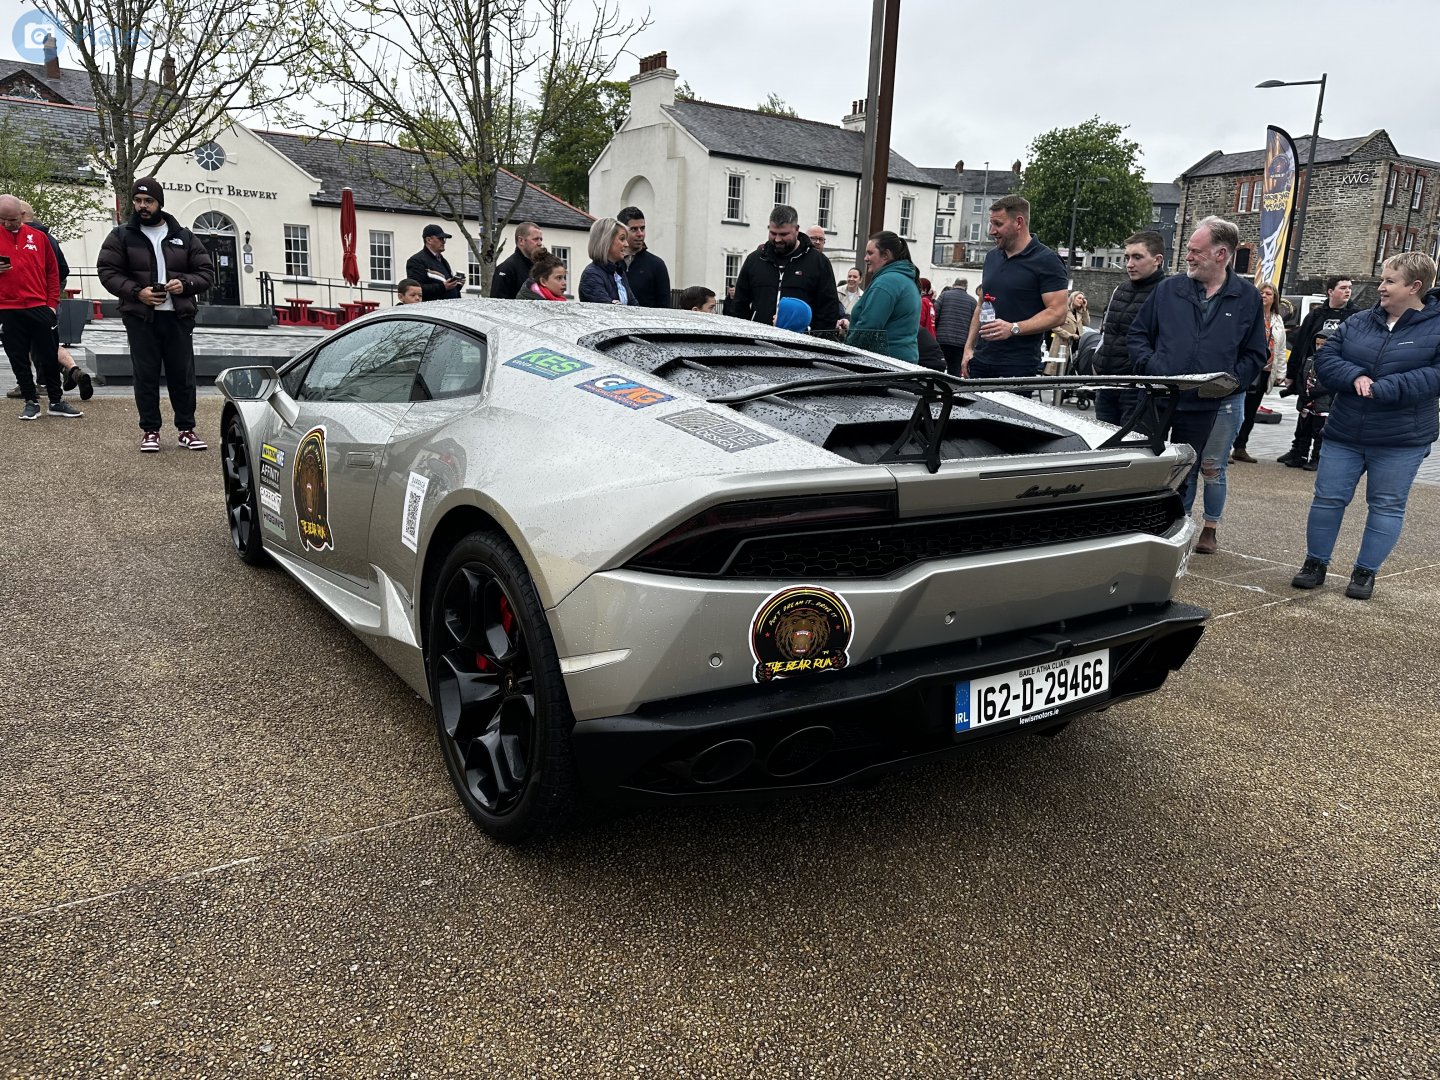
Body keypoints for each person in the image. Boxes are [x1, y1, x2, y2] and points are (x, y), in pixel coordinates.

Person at [1291, 252, 1440, 601]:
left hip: (1400, 438)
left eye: (1389, 280)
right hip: (1346, 431)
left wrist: (1386, 389)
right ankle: (1315, 563)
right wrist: (1355, 375)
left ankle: (1365, 572)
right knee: (1327, 498)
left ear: (1414, 286)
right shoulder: (1359, 321)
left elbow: (1436, 375)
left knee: (1386, 504)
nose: (1381, 286)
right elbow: (1327, 358)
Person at [1127, 216, 1266, 516]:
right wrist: (1153, 366)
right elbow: (1138, 335)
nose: (1187, 257)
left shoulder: (1247, 297)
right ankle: (1136, 526)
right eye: (1188, 249)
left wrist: (1228, 383)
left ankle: (1176, 533)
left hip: (1203, 405)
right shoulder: (1168, 289)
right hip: (1157, 397)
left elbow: (1256, 353)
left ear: (1221, 254)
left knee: (1185, 472)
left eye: (1195, 251)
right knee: (1142, 465)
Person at [98, 178, 220, 449]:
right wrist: (136, 292)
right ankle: (150, 430)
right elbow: (107, 272)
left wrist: (185, 284)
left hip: (178, 316)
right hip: (141, 317)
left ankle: (187, 429)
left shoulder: (184, 236)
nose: (142, 206)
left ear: (159, 203)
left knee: (182, 374)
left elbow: (206, 273)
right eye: (138, 201)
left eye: (148, 201)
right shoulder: (121, 235)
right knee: (145, 374)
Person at [962, 195, 1069, 381]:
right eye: (991, 224)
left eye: (998, 224)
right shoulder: (992, 257)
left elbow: (1058, 313)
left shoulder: (1047, 261)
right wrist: (968, 348)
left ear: (1019, 222)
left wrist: (1013, 328)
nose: (992, 231)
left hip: (1017, 366)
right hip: (980, 361)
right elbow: (981, 304)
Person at [0, 193, 79, 420]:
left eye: (12, 219)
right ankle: (30, 401)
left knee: (48, 355)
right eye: (2, 219)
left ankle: (56, 400)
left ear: (22, 215)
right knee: (18, 358)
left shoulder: (39, 238)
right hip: (7, 308)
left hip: (39, 306)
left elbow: (53, 273)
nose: (7, 224)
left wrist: (52, 305)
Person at [1279, 275, 1359, 466]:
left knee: (1324, 417)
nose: (1348, 291)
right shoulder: (1316, 315)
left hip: (1336, 374)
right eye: (1343, 288)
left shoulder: (1355, 316)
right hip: (1310, 372)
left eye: (1349, 287)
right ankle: (1298, 451)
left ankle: (1318, 456)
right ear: (1330, 291)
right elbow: (1300, 344)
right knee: (1305, 412)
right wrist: (1292, 375)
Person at [729, 204, 841, 333]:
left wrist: (815, 340)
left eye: (783, 234)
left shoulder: (819, 262)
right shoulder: (754, 260)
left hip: (801, 345)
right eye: (773, 233)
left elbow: (828, 309)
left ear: (797, 229)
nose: (777, 239)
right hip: (759, 343)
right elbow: (739, 305)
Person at [1093, 231, 1166, 426]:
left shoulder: (1167, 294)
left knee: (1131, 450)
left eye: (1137, 257)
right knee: (1102, 449)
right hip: (1107, 384)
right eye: (1127, 257)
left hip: (1137, 389)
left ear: (1157, 260)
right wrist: (1097, 361)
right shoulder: (1120, 289)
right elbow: (1106, 331)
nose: (1129, 264)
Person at [1230, 281, 1288, 463]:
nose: (1264, 296)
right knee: (1234, 409)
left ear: (1275, 298)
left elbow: (1280, 348)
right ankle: (1225, 446)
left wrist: (1281, 373)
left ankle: (1240, 446)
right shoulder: (1247, 314)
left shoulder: (1277, 320)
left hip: (1265, 371)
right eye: (1262, 293)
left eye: (1269, 294)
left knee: (1250, 411)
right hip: (1246, 369)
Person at [844, 231, 921, 363]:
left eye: (870, 253)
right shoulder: (905, 279)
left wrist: (845, 353)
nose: (865, 258)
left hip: (883, 364)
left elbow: (868, 327)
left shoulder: (887, 282)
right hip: (901, 362)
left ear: (885, 255)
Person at [616, 207, 671, 308]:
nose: (640, 234)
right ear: (622, 231)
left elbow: (665, 306)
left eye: (642, 228)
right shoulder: (611, 263)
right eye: (634, 229)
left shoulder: (656, 265)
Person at [578, 218, 636, 305]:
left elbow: (634, 307)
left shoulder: (619, 273)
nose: (626, 244)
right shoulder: (591, 275)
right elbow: (606, 311)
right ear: (606, 241)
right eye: (622, 239)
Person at [405, 224, 464, 301]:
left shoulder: (443, 261)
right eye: (440, 238)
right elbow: (416, 288)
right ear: (428, 240)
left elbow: (445, 287)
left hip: (447, 308)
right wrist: (443, 287)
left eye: (444, 239)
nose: (443, 242)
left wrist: (456, 285)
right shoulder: (416, 261)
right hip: (432, 309)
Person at [489, 221, 545, 300]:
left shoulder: (541, 267)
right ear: (521, 240)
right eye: (535, 239)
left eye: (541, 239)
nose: (540, 243)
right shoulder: (506, 268)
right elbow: (498, 305)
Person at [932, 277, 975, 376]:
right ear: (966, 287)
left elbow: (935, 314)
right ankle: (952, 390)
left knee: (939, 369)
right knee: (955, 370)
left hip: (942, 340)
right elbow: (974, 324)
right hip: (961, 343)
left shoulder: (944, 296)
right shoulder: (972, 301)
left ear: (954, 285)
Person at [1046, 291, 1089, 373]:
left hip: (1074, 344)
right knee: (1055, 368)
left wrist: (1085, 309)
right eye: (1079, 298)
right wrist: (1069, 335)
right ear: (1073, 298)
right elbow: (1054, 326)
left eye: (1083, 299)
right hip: (1062, 343)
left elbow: (1087, 322)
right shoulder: (1064, 310)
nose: (1081, 300)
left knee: (1068, 367)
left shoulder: (1080, 313)